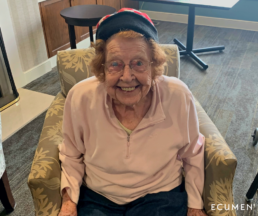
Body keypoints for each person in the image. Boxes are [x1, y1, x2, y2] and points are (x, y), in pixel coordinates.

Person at [58, 8, 207, 216]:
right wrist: (69, 203)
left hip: (161, 194)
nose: (127, 77)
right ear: (102, 67)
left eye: (138, 63)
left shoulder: (178, 96)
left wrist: (194, 206)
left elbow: (193, 154)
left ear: (153, 65)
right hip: (98, 197)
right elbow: (71, 155)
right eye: (115, 64)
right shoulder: (81, 97)